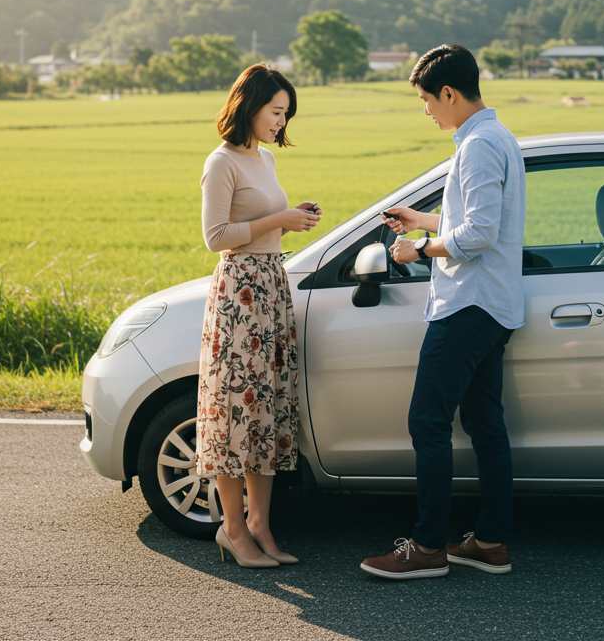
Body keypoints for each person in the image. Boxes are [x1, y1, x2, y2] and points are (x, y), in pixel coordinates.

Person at [360, 44, 526, 579]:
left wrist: (418, 250)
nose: (426, 111)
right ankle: (492, 543)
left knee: (427, 421)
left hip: (468, 305)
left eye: (428, 100)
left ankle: (428, 548)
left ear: (450, 93)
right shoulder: (498, 138)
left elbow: (478, 235)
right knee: (484, 424)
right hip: (494, 306)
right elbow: (478, 219)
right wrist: (423, 219)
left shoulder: (477, 146)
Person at [197, 63, 321, 568]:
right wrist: (279, 220)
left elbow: (260, 226)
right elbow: (216, 237)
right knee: (234, 414)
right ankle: (232, 529)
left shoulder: (265, 158)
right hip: (238, 295)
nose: (280, 122)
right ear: (249, 106)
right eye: (275, 111)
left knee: (266, 413)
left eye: (285, 114)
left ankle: (260, 526)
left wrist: (289, 226)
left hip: (270, 286)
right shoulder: (221, 161)